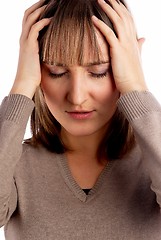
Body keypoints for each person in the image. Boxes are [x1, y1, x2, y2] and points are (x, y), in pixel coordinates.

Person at [0, 0, 161, 239]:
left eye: (98, 72)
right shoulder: (14, 163)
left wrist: (136, 87)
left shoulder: (152, 162)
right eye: (56, 72)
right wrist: (21, 87)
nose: (76, 97)